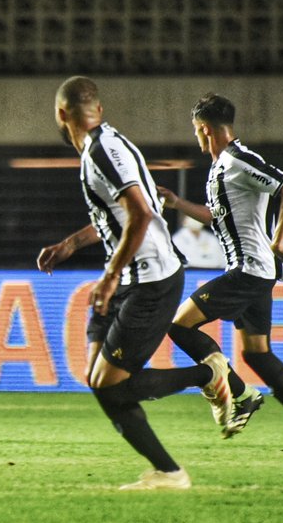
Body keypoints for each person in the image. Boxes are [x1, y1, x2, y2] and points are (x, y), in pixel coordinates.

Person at [36, 77, 234, 491]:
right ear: (98, 110)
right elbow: (121, 215)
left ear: (61, 114)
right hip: (133, 275)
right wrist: (71, 244)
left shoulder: (100, 153)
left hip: (150, 279)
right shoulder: (110, 144)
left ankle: (205, 379)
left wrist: (109, 277)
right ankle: (168, 470)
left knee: (111, 385)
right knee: (99, 380)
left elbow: (141, 214)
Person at [159, 93, 283, 452]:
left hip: (249, 270)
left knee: (178, 325)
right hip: (253, 271)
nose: (196, 136)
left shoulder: (238, 159)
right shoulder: (221, 167)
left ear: (204, 129)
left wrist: (279, 241)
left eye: (195, 130)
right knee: (257, 354)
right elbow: (217, 217)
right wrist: (178, 203)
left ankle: (241, 394)